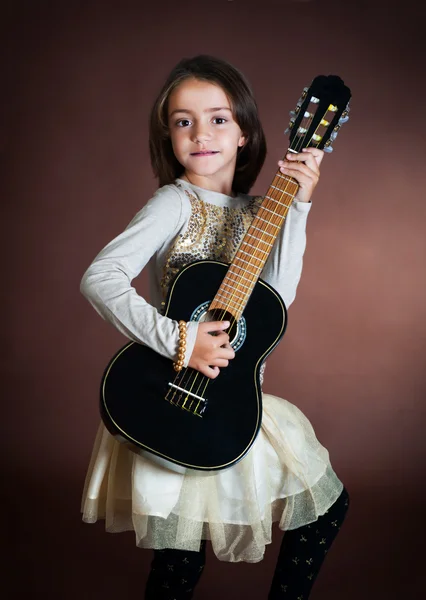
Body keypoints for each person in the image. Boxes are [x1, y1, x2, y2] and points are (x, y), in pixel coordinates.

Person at [80, 54, 349, 599]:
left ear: (246, 132)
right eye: (184, 121)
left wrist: (297, 207)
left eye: (218, 118)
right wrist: (181, 338)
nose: (201, 133)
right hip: (174, 393)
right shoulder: (173, 202)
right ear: (169, 137)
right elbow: (100, 276)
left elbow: (278, 301)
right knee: (181, 561)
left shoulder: (260, 211)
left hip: (232, 403)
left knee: (325, 509)